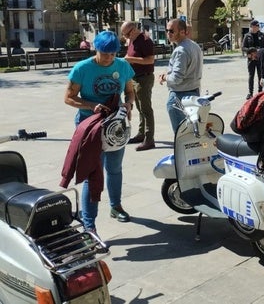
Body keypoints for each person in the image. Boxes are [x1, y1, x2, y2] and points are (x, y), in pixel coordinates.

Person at [62, 30, 135, 233]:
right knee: (92, 173)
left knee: (115, 168)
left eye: (113, 54)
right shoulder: (82, 69)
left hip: (115, 126)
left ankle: (115, 206)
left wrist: (129, 104)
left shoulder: (123, 66)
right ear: (96, 49)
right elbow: (68, 98)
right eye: (105, 53)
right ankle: (89, 223)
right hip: (91, 128)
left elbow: (129, 91)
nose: (109, 58)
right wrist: (91, 105)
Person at [158, 19, 203, 134]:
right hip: (194, 92)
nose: (168, 33)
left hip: (180, 95)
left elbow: (176, 78)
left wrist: (165, 78)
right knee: (192, 133)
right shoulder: (194, 46)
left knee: (182, 136)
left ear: (182, 32)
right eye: (167, 30)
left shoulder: (180, 50)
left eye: (172, 31)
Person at [122, 21, 156, 151]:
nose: (125, 37)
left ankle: (149, 139)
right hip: (134, 77)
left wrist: (130, 59)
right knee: (139, 107)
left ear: (134, 29)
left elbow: (150, 60)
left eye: (126, 34)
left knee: (146, 109)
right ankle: (141, 134)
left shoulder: (145, 40)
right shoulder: (132, 40)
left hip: (144, 78)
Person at [242, 19, 264, 99]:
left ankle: (260, 92)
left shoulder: (261, 35)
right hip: (251, 59)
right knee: (251, 76)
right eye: (256, 26)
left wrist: (261, 52)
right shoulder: (247, 35)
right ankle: (250, 93)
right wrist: (250, 52)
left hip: (260, 58)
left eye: (258, 26)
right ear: (252, 27)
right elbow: (243, 47)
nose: (257, 27)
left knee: (260, 75)